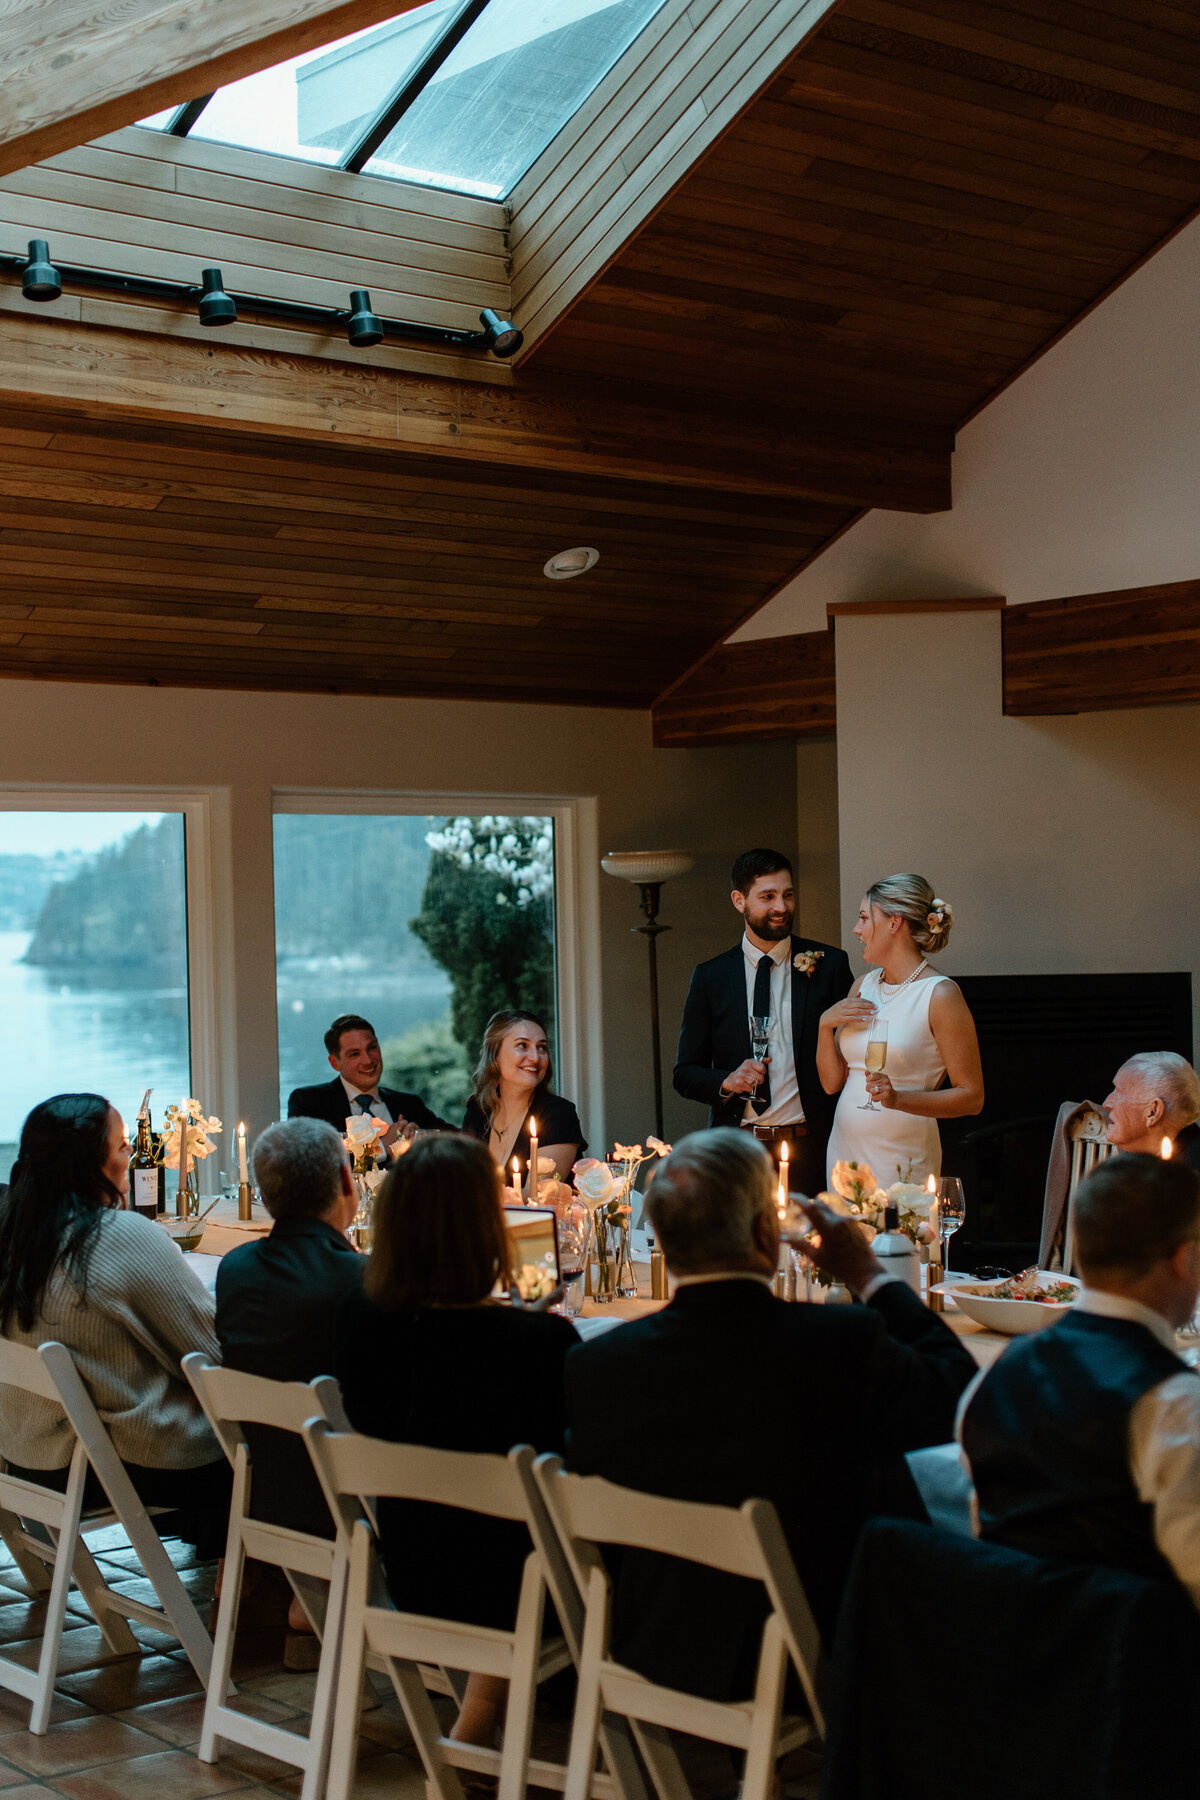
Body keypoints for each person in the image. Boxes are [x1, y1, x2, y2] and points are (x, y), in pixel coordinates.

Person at [565, 1128, 976, 1701]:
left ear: (657, 1234)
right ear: (766, 1232)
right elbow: (960, 1401)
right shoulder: (835, 1343)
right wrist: (870, 1276)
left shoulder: (596, 1366)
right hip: (811, 1649)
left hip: (655, 1642)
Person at [333, 1133, 578, 1745]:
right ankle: (481, 1723)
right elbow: (562, 1460)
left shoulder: (363, 1324)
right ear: (485, 1229)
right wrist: (533, 1326)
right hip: (519, 1586)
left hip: (410, 1567)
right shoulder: (534, 1345)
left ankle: (477, 1719)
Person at [961, 1154, 1200, 1605]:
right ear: (1185, 1259)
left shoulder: (996, 1372)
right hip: (1130, 1665)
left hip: (1003, 1652)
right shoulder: (1175, 1404)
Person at [0, 1094, 230, 1552]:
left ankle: (241, 1574)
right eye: (123, 1144)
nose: (131, 1154)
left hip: (27, 1454)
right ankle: (273, 1581)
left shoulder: (16, 1234)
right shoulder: (118, 1236)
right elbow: (213, 1355)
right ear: (93, 1162)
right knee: (280, 1440)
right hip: (124, 1465)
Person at [673, 849, 852, 1199]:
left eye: (787, 894)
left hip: (813, 1149)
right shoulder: (711, 976)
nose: (781, 907)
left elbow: (852, 1058)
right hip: (738, 1153)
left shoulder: (829, 965)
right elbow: (684, 1073)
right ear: (739, 901)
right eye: (767, 896)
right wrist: (726, 1081)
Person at [215, 1118, 364, 1538]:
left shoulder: (235, 1269)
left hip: (267, 1489)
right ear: (344, 1180)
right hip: (348, 1496)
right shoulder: (360, 1281)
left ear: (261, 1196)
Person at [819, 873, 983, 1187]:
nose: (857, 929)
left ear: (895, 923)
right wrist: (824, 1026)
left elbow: (972, 1097)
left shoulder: (940, 994)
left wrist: (897, 1099)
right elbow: (830, 1083)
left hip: (902, 1158)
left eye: (865, 918)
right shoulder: (862, 986)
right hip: (845, 1154)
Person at [287, 1013, 452, 1147]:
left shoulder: (409, 1105)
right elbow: (311, 1163)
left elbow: (461, 1140)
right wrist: (382, 1147)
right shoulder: (309, 1103)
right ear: (335, 1063)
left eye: (372, 1048)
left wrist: (421, 1140)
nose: (368, 1060)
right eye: (354, 1054)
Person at [461, 1010, 585, 1181]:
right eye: (522, 1045)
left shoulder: (558, 1114)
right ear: (495, 1056)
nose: (535, 1058)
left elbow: (536, 1198)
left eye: (541, 1047)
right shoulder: (478, 1110)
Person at [1103, 1052, 1200, 1168]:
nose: (1106, 1103)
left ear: (1153, 1112)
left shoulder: (1189, 1174)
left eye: (1119, 1092)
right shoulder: (1137, 1158)